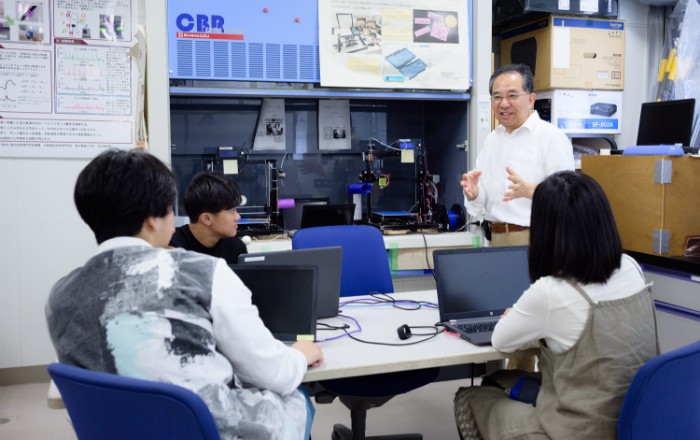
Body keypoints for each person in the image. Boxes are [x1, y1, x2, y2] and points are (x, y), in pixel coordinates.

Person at [45, 149, 324, 440]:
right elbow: (271, 374)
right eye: (170, 209)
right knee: (294, 395)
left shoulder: (59, 297)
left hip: (122, 431)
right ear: (153, 218)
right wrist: (299, 356)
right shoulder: (205, 273)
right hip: (207, 431)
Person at [453, 171, 659, 440]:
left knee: (470, 397)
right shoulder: (631, 268)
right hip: (635, 422)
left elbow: (501, 341)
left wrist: (516, 314)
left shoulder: (552, 292)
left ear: (545, 231)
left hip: (576, 431)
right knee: (500, 381)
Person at [460, 63, 575, 247]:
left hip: (534, 240)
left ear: (531, 99)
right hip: (494, 238)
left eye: (512, 95)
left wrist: (532, 192)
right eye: (497, 97)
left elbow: (569, 198)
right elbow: (484, 201)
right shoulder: (492, 139)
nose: (504, 103)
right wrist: (474, 193)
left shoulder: (551, 137)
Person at [170, 171, 248, 264]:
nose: (238, 217)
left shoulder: (236, 246)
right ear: (207, 219)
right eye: (231, 211)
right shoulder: (173, 248)